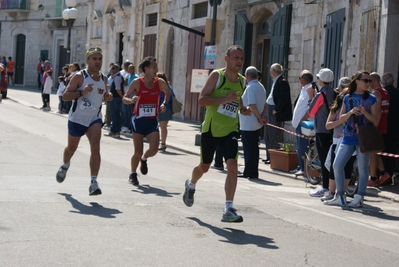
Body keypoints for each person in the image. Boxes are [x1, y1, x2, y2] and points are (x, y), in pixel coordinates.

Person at [182, 45, 249, 223]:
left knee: (233, 166)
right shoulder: (217, 76)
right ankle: (191, 185)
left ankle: (228, 208)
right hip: (211, 129)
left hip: (231, 129)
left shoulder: (242, 81)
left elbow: (238, 99)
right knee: (204, 167)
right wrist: (223, 99)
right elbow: (202, 99)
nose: (239, 61)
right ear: (227, 59)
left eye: (241, 59)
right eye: (236, 58)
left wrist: (243, 108)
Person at [56, 47, 113, 196]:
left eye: (100, 59)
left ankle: (93, 182)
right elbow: (65, 96)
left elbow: (103, 94)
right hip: (77, 119)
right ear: (88, 60)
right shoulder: (79, 77)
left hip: (94, 118)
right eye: (94, 59)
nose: (97, 62)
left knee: (95, 148)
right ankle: (65, 164)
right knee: (71, 149)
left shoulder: (104, 78)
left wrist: (107, 96)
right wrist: (82, 92)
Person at [325, 71, 378, 207]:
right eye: (365, 80)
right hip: (348, 137)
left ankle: (359, 196)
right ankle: (340, 196)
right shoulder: (347, 97)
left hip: (363, 138)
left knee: (363, 167)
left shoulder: (371, 99)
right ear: (357, 81)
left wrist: (365, 113)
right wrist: (350, 112)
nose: (368, 83)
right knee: (337, 165)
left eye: (369, 81)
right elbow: (341, 118)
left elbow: (376, 121)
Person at [122, 56, 171, 186]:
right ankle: (133, 173)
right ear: (146, 69)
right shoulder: (137, 82)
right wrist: (131, 101)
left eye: (156, 67)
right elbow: (124, 98)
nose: (157, 69)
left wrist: (164, 104)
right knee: (137, 151)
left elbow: (168, 93)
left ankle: (144, 159)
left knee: (154, 149)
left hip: (152, 121)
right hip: (138, 120)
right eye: (154, 67)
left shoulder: (159, 82)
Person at [323, 84, 356, 201]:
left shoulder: (353, 111)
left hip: (350, 141)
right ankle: (332, 192)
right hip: (337, 141)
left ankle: (341, 193)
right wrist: (340, 120)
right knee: (334, 167)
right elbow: (328, 125)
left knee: (347, 167)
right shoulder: (335, 110)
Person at [308, 68, 335, 197]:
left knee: (324, 159)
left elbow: (311, 112)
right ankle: (330, 186)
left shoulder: (320, 95)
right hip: (333, 130)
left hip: (322, 129)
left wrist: (310, 97)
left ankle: (325, 187)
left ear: (321, 80)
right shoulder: (334, 93)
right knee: (330, 159)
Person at [238, 66, 267, 179]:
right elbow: (265, 105)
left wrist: (259, 117)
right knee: (254, 148)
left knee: (249, 149)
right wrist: (262, 117)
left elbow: (252, 106)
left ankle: (249, 171)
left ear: (247, 75)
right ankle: (253, 171)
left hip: (249, 123)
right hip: (255, 123)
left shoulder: (250, 88)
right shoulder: (261, 86)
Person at [263, 63, 292, 164]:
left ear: (274, 71)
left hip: (274, 110)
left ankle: (272, 157)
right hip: (269, 108)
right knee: (267, 134)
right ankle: (268, 156)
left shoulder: (282, 82)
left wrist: (277, 109)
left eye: (271, 70)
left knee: (274, 135)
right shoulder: (276, 81)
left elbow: (284, 98)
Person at [367, 72, 391, 187]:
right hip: (383, 125)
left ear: (373, 81)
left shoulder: (376, 93)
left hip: (376, 126)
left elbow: (377, 111)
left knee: (373, 153)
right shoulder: (385, 92)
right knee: (376, 152)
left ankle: (373, 178)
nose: (368, 84)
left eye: (368, 81)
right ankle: (383, 172)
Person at [291, 70, 315, 176]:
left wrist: (302, 120)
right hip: (299, 123)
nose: (299, 80)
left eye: (300, 78)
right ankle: (300, 166)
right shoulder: (304, 89)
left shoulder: (309, 90)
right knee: (300, 145)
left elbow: (310, 108)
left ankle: (302, 168)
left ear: (304, 79)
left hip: (304, 123)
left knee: (303, 146)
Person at [381, 72, 399, 184]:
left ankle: (382, 175)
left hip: (382, 127)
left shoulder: (381, 93)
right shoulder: (397, 93)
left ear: (382, 82)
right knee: (391, 152)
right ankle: (390, 173)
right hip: (395, 128)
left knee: (381, 151)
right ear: (393, 81)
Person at [156, 71, 174, 151]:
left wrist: (164, 104)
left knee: (163, 127)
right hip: (165, 108)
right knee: (162, 127)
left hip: (164, 108)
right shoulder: (169, 86)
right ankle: (161, 142)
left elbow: (170, 96)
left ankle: (163, 143)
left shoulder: (164, 87)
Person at [120, 61, 132, 133]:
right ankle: (124, 124)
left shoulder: (130, 75)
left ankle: (127, 125)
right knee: (123, 111)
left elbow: (125, 83)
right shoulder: (121, 73)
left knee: (127, 112)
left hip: (128, 95)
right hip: (123, 94)